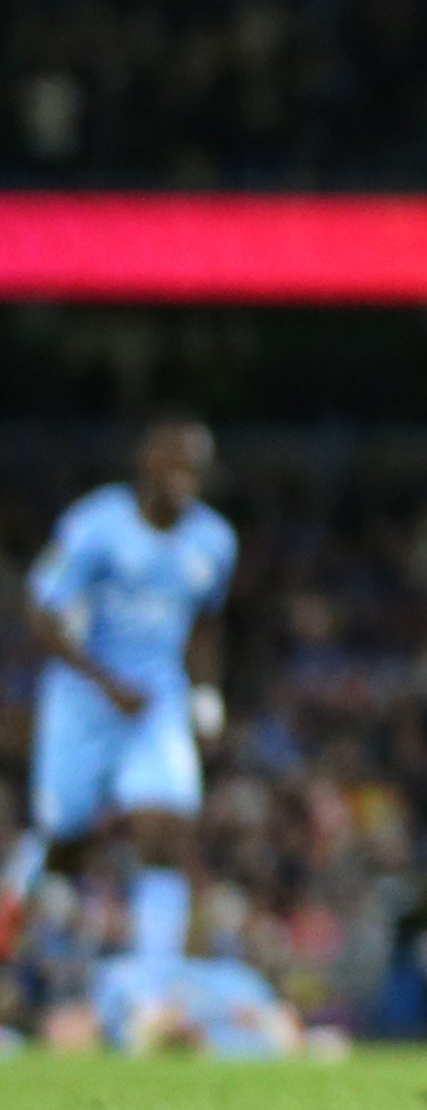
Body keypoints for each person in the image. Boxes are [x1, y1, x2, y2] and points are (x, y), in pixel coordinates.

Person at [10, 416, 235, 991]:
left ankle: (154, 983)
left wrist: (206, 699)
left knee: (168, 827)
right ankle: (21, 931)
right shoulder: (96, 526)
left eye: (198, 466)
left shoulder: (213, 541)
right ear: (148, 464)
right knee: (66, 838)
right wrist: (104, 680)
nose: (188, 476)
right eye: (176, 463)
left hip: (157, 700)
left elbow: (207, 622)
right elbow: (42, 612)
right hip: (83, 699)